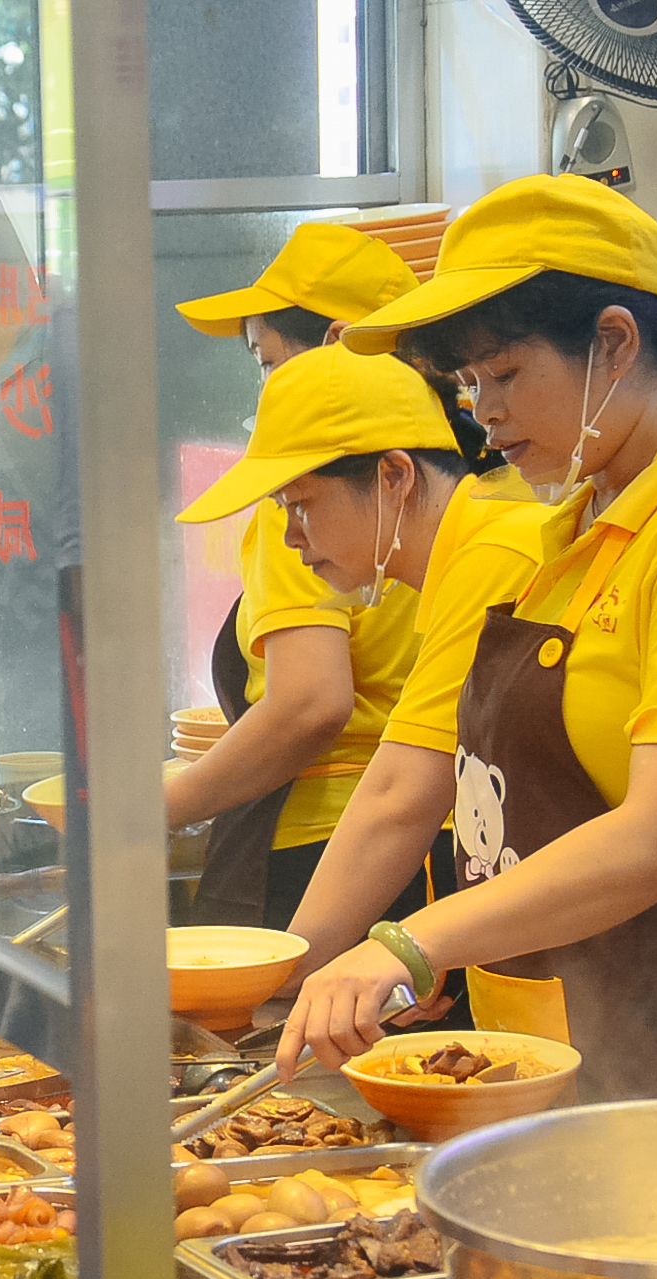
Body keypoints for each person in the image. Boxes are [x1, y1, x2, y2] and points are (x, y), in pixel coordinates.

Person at [281, 174, 657, 1103]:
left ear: (614, 344)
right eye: (469, 385)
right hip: (551, 1048)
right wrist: (441, 956)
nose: (484, 415)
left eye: (504, 375)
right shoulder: (569, 527)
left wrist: (415, 939)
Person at [172, 345, 549, 988]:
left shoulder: (495, 555)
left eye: (301, 504)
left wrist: (275, 978)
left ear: (393, 476)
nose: (291, 537)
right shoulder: (468, 557)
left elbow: (403, 794)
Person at [165, 223, 429, 930]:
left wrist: (158, 812)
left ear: (338, 345)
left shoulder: (317, 501)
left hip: (320, 845)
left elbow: (310, 704)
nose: (292, 525)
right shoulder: (466, 482)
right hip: (437, 840)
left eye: (267, 362)